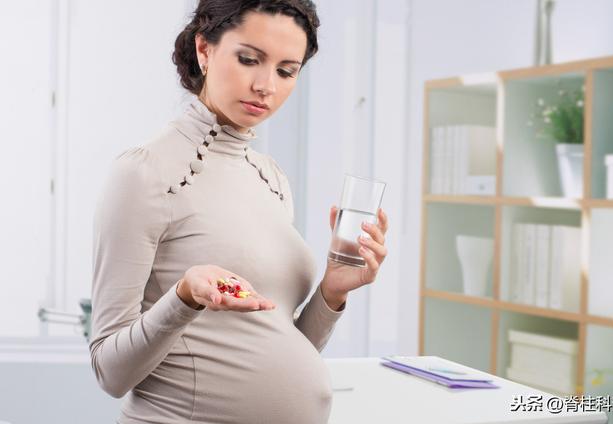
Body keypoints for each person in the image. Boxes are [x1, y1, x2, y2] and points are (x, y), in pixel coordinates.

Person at [90, 0, 389, 423]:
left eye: (287, 71)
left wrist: (332, 292)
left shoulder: (271, 177)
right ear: (205, 50)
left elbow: (274, 344)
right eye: (249, 60)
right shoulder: (144, 173)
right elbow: (109, 371)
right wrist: (184, 297)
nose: (266, 85)